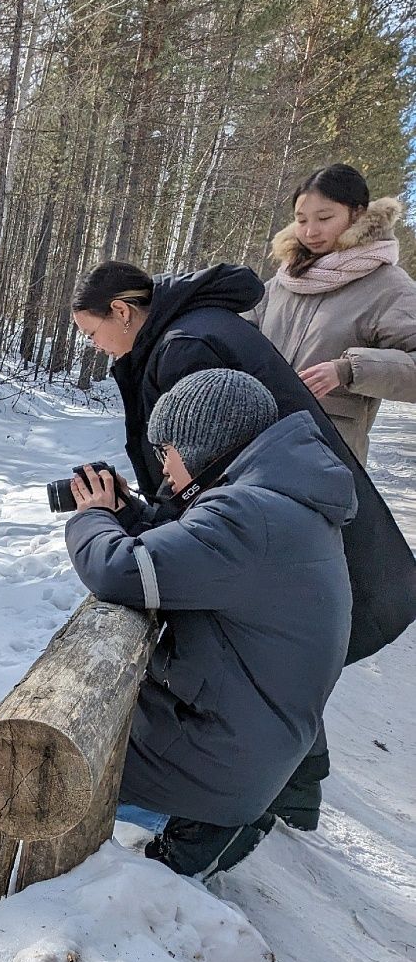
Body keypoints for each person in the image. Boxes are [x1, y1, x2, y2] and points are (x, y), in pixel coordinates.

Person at [68, 258, 416, 831]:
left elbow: (192, 454)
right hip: (301, 519)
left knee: (251, 654)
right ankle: (294, 795)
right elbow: (198, 467)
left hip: (270, 538)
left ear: (123, 312)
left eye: (92, 333)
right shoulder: (201, 324)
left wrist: (111, 520)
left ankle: (248, 808)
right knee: (280, 659)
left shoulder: (184, 348)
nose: (98, 348)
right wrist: (148, 511)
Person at [66, 370, 355, 876]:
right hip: (255, 731)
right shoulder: (283, 498)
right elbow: (194, 557)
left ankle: (192, 838)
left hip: (227, 758)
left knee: (65, 757)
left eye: (168, 451)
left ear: (203, 445)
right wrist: (131, 515)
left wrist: (92, 516)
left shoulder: (249, 513)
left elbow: (119, 571)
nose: (163, 468)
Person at [247, 164, 416, 464]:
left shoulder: (388, 285)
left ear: (358, 214)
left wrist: (348, 370)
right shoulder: (284, 281)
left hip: (325, 457)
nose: (310, 231)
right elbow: (240, 338)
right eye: (301, 220)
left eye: (324, 218)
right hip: (254, 443)